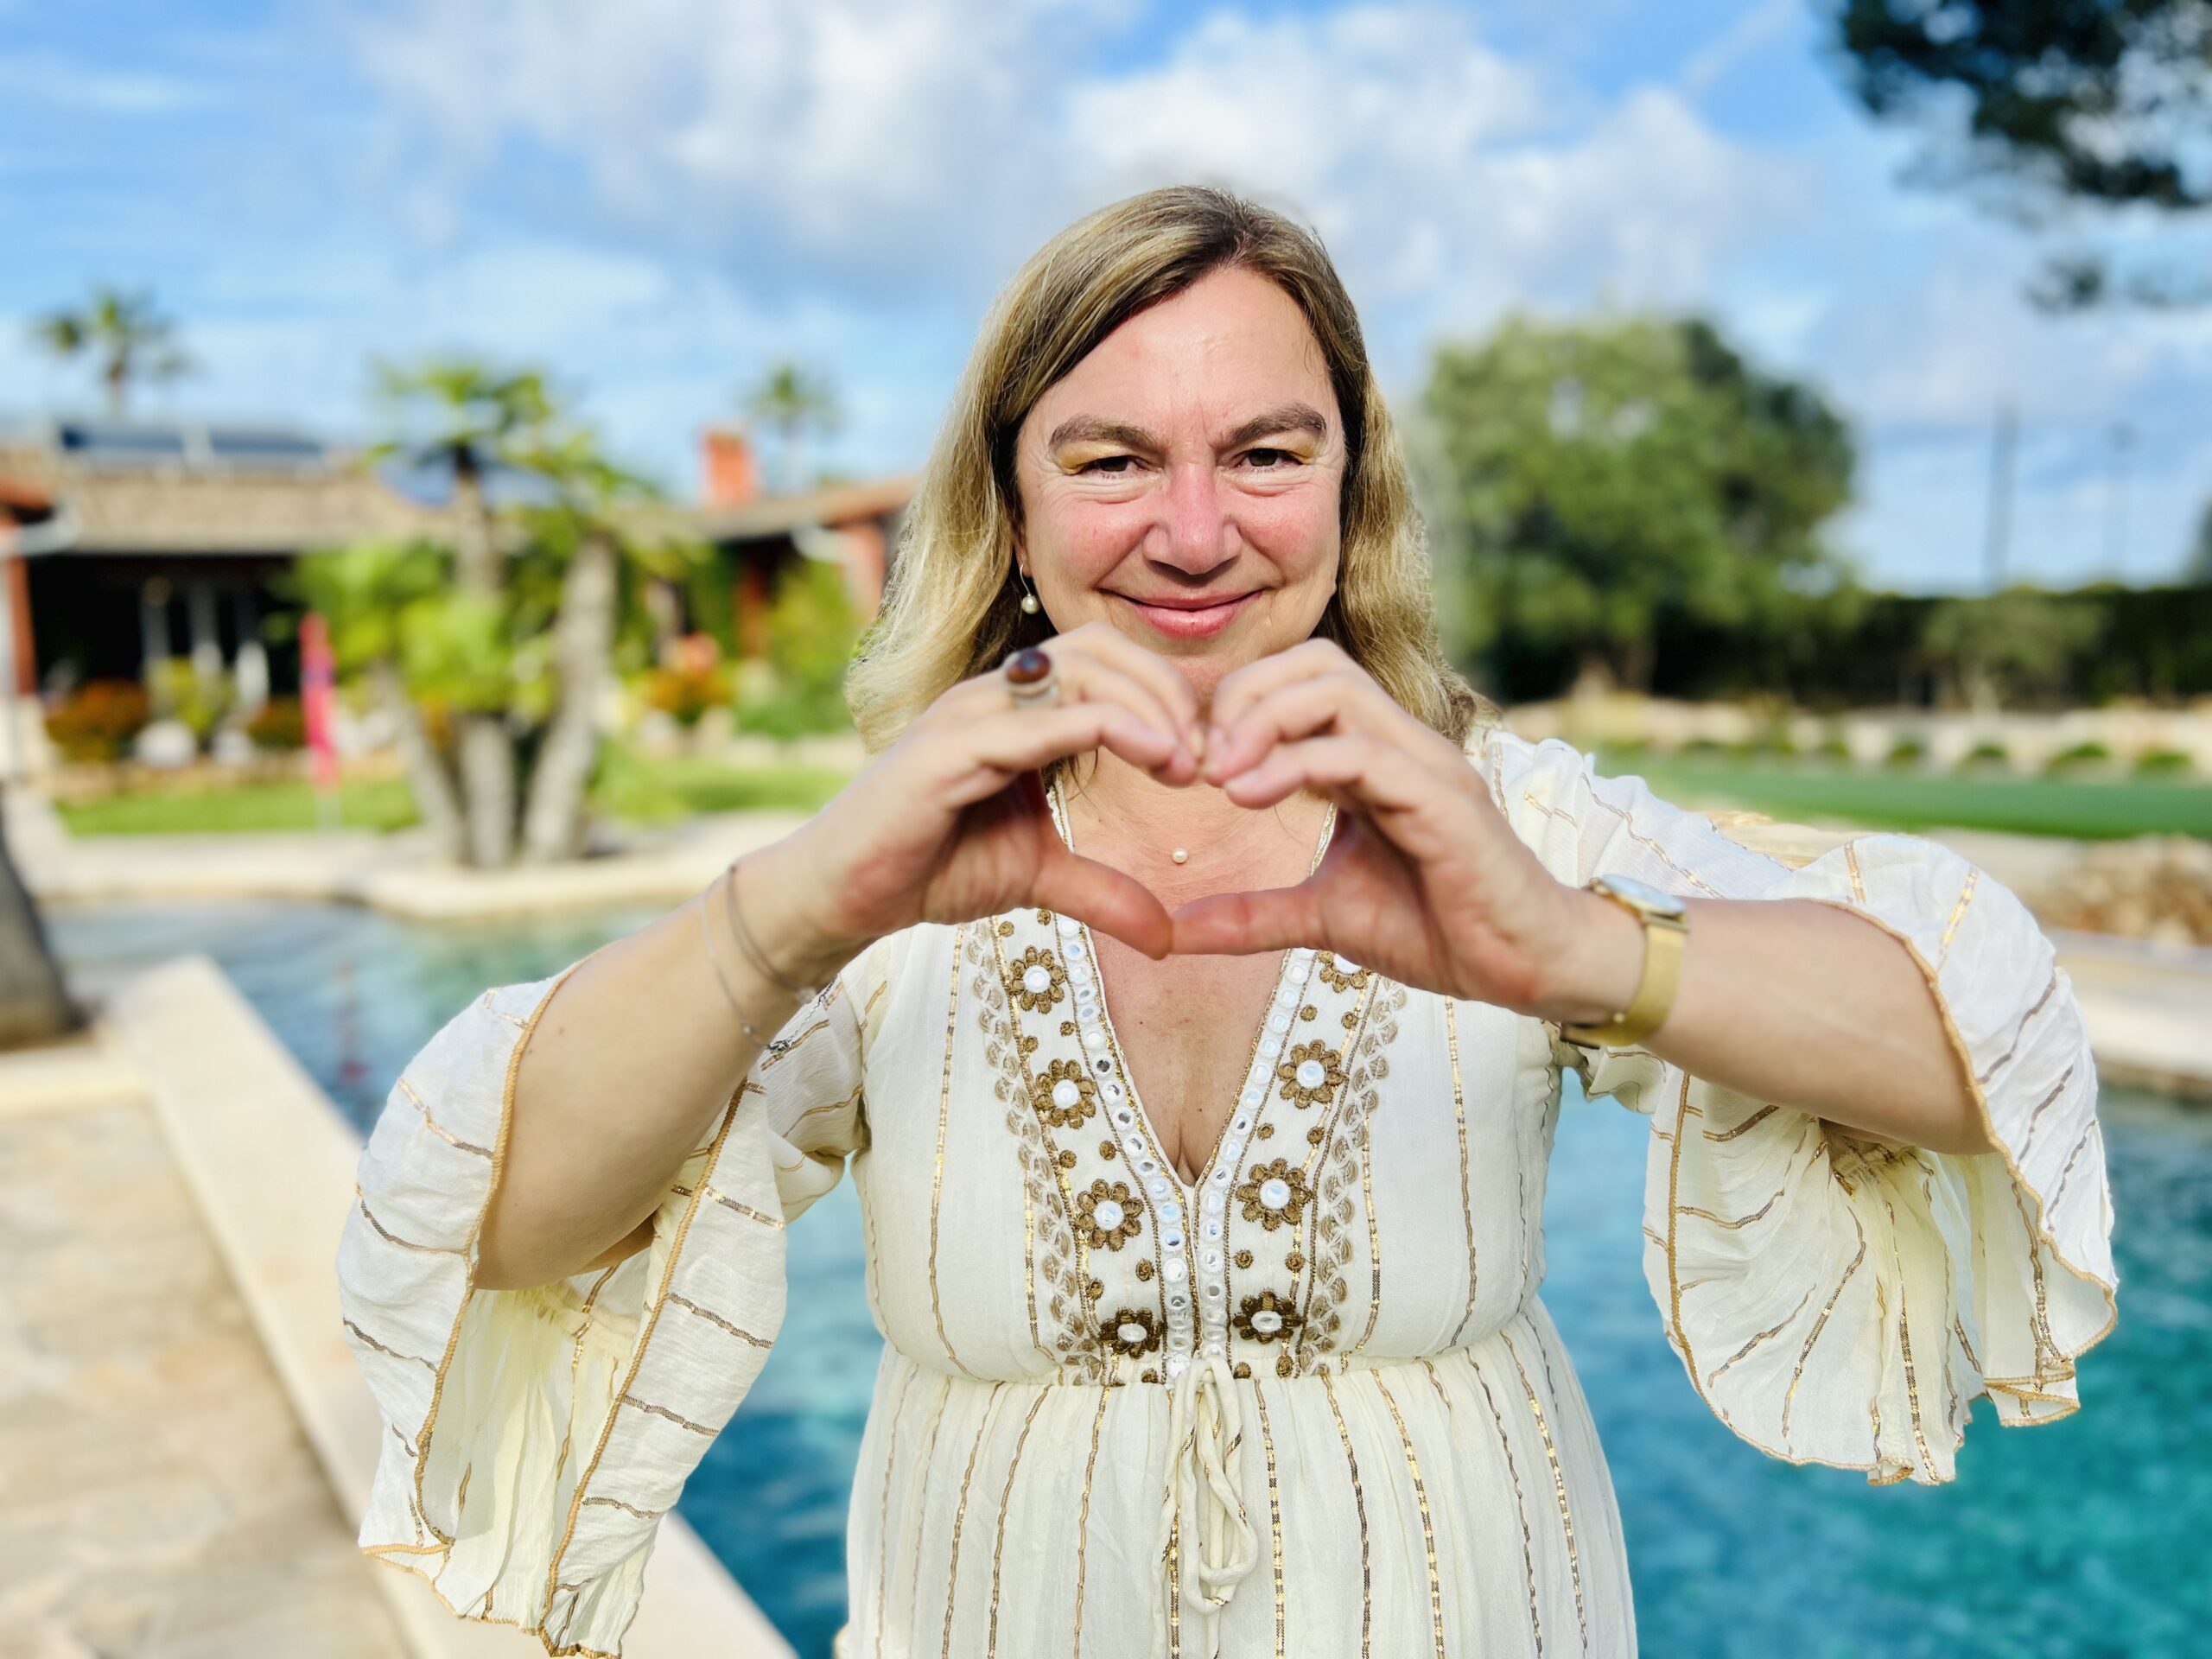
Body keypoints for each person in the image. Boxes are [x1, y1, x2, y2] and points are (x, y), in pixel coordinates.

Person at [335, 186, 2120, 1659]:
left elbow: (1983, 1055)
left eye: (1265, 451)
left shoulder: (1499, 819)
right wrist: (794, 916)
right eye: (1110, 459)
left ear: (1348, 494)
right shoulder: (894, 858)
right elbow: (495, 1226)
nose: (1193, 533)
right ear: (1011, 508)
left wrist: (1575, 949)